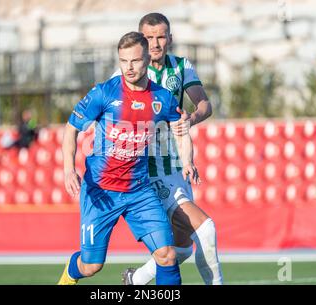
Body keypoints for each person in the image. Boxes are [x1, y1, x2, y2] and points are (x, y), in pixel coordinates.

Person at [58, 32, 199, 285]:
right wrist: (69, 169)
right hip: (101, 191)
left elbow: (181, 129)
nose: (128, 67)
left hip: (139, 191)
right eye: (123, 61)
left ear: (147, 58)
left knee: (166, 255)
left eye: (134, 61)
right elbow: (71, 129)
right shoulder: (104, 93)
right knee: (91, 266)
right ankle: (68, 277)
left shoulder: (162, 98)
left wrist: (187, 160)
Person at [118, 13, 223, 285]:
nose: (155, 43)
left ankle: (136, 280)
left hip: (175, 165)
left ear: (170, 39)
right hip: (149, 172)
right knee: (206, 229)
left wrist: (192, 118)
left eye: (160, 36)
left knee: (183, 248)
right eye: (148, 38)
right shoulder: (126, 74)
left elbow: (204, 105)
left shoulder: (180, 66)